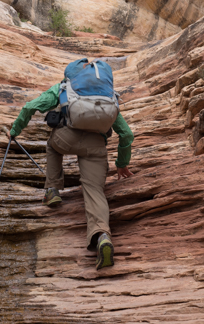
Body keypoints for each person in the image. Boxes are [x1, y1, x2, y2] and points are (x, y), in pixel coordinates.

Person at [9, 58, 134, 269]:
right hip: (95, 147)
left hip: (65, 140)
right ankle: (102, 235)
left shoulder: (64, 87)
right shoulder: (107, 95)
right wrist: (121, 163)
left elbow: (30, 107)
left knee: (52, 146)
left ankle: (52, 190)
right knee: (94, 190)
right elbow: (127, 134)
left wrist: (14, 131)